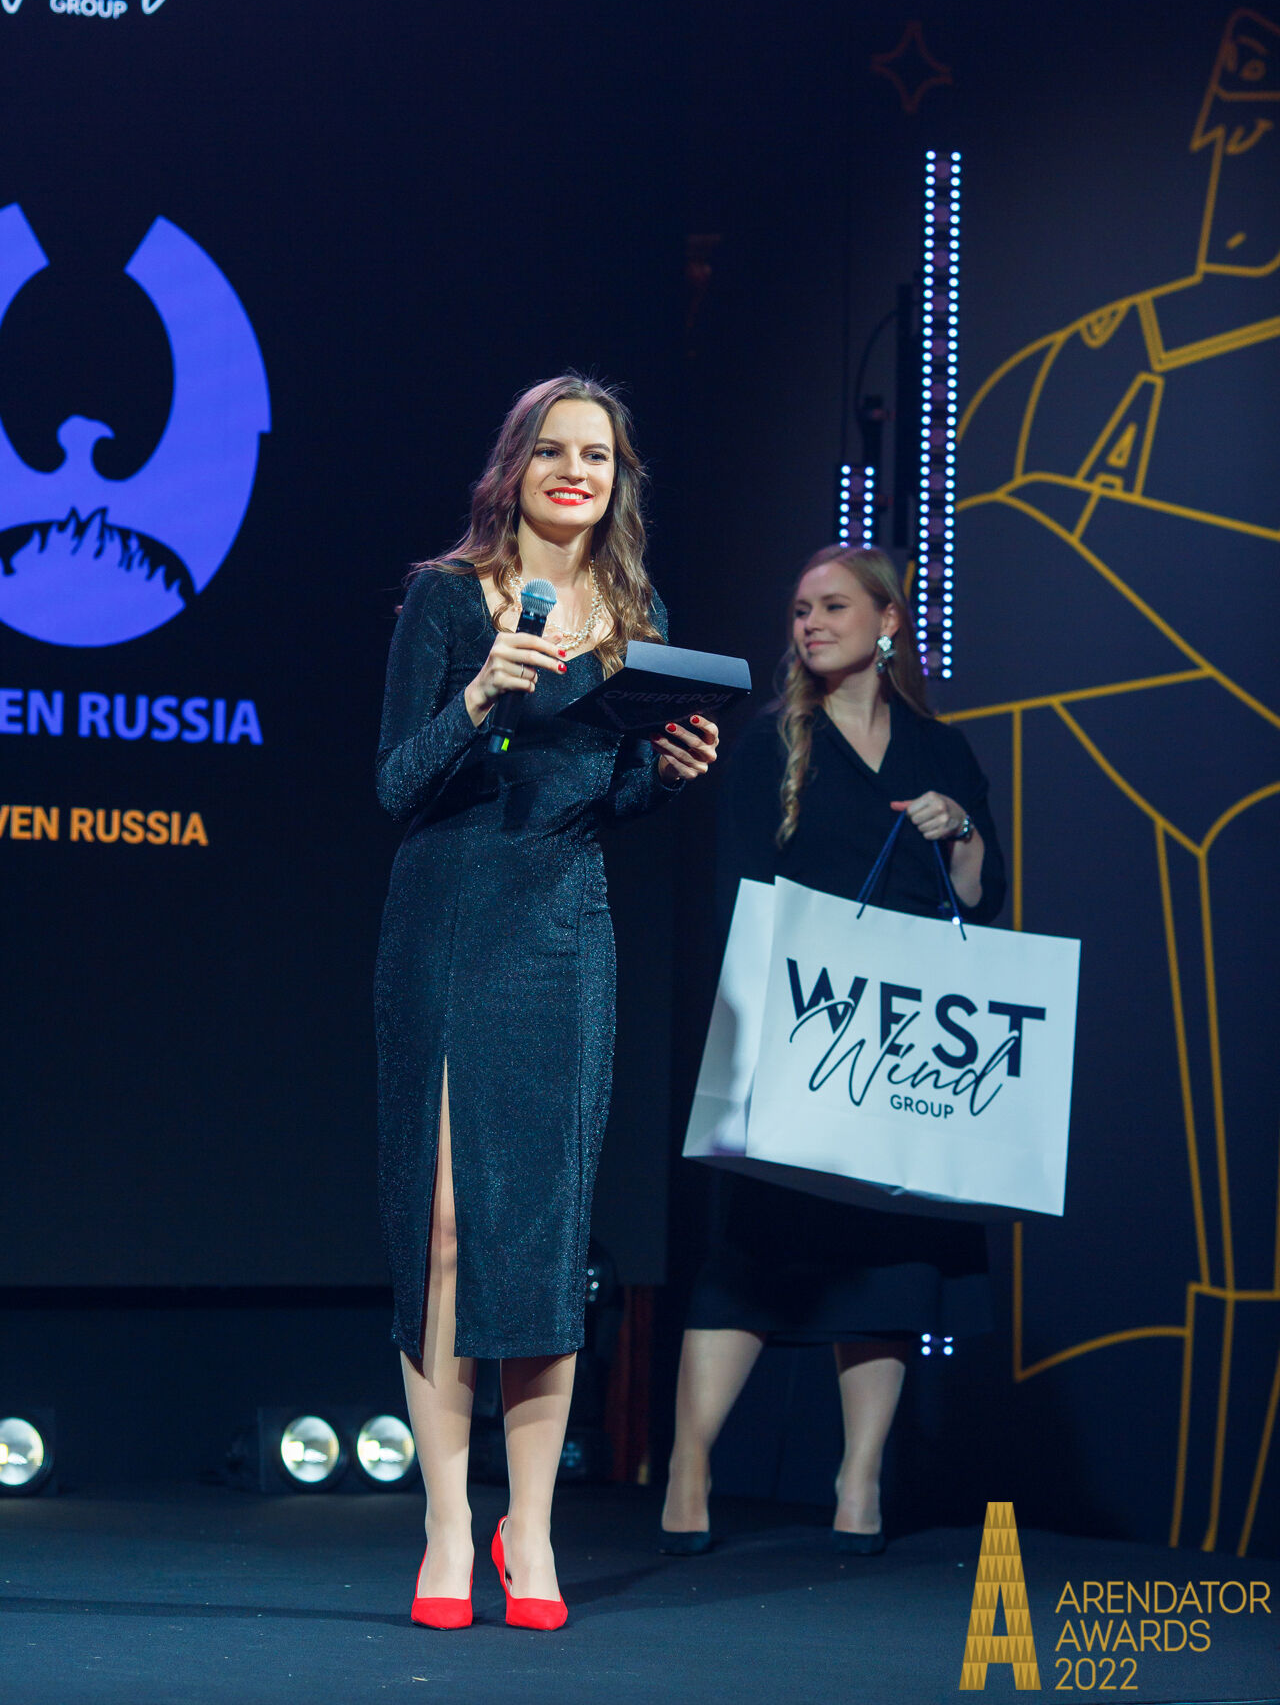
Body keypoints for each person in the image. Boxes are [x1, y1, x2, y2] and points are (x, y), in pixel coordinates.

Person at [375, 373, 717, 1631]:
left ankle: (530, 1526)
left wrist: (664, 773)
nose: (577, 473)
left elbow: (604, 797)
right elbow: (394, 784)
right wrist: (480, 696)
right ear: (512, 466)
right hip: (445, 925)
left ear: (619, 479)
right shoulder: (444, 597)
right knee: (445, 1232)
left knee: (543, 1237)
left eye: (599, 456)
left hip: (562, 933)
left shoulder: (638, 615)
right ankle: (446, 1525)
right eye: (554, 451)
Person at [661, 542, 1005, 1555]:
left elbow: (982, 901)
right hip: (803, 1028)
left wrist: (960, 832)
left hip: (905, 1043)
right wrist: (758, 1026)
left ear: (887, 620)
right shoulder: (772, 743)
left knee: (891, 1259)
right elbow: (736, 893)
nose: (809, 623)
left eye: (832, 606)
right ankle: (688, 1467)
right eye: (800, 610)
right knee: (753, 1255)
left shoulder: (941, 752)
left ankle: (859, 1485)